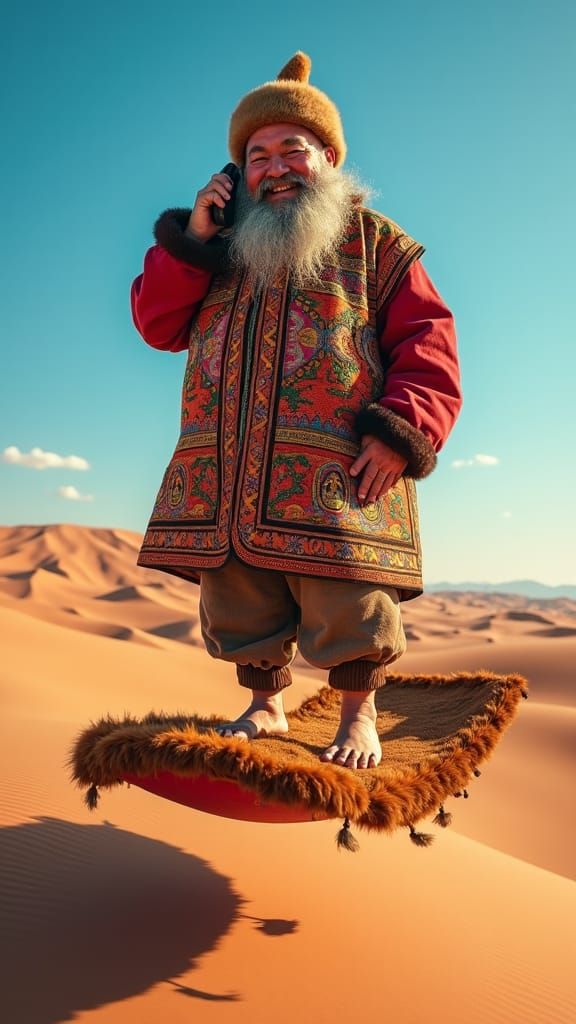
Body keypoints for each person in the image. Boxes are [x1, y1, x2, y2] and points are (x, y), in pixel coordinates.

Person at [130, 52, 462, 770]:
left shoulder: (379, 244)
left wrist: (404, 433)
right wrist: (193, 238)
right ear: (235, 174)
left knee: (347, 594)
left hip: (342, 465)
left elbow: (428, 345)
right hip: (225, 468)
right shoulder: (217, 249)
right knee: (239, 593)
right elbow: (157, 325)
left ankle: (358, 713)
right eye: (256, 155)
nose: (275, 167)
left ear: (328, 158)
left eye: (292, 149)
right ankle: (264, 703)